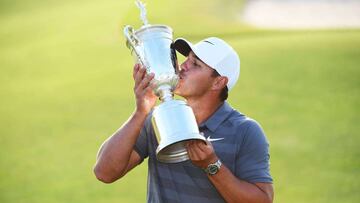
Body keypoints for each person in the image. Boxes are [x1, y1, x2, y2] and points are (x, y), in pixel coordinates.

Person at [93, 37, 274, 203]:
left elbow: (263, 199)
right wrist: (140, 111)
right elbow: (104, 173)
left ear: (218, 82)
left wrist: (212, 165)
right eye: (187, 59)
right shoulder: (158, 119)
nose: (182, 66)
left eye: (195, 64)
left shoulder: (245, 131)